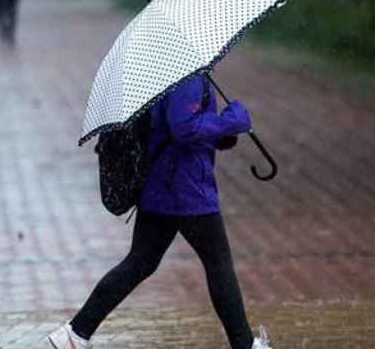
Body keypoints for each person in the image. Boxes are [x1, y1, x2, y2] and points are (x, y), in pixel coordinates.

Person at [48, 74, 273, 349]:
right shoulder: (187, 77)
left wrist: (222, 134)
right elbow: (182, 127)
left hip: (161, 187)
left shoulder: (169, 73)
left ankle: (74, 334)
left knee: (140, 263)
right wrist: (230, 121)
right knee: (218, 264)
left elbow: (173, 126)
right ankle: (245, 345)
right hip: (186, 189)